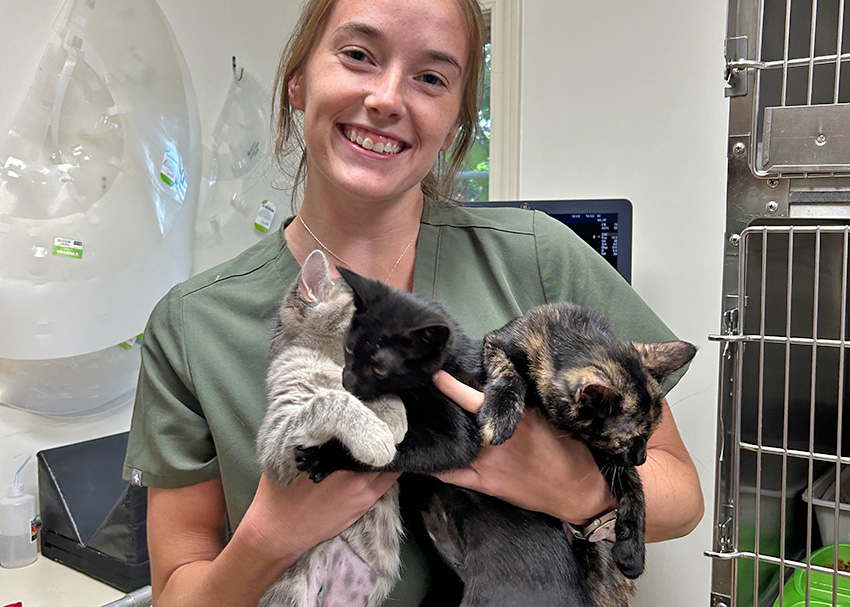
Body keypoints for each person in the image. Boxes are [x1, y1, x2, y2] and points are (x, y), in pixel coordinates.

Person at [123, 0, 704, 605]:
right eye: (358, 55)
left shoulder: (540, 261)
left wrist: (577, 489)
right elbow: (176, 591)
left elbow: (682, 495)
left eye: (431, 77)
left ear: (455, 120)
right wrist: (269, 537)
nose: (387, 98)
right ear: (298, 80)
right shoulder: (193, 325)